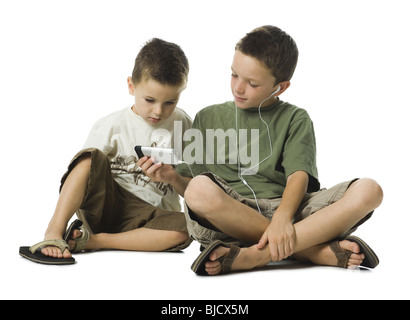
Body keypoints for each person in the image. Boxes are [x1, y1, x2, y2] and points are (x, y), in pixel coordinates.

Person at [177, 25, 383, 275]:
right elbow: (190, 188)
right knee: (198, 190)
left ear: (280, 87)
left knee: (370, 191)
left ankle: (253, 256)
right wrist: (169, 177)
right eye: (234, 75)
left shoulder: (296, 118)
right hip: (230, 215)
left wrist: (283, 219)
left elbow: (298, 175)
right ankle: (311, 250)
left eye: (252, 83)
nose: (238, 88)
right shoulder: (207, 117)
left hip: (290, 210)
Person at [19, 38, 192, 265]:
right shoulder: (111, 125)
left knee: (188, 229)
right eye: (149, 100)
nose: (158, 111)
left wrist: (172, 177)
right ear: (131, 86)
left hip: (152, 217)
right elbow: (84, 174)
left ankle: (95, 241)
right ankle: (53, 232)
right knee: (89, 158)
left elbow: (193, 189)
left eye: (170, 102)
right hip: (108, 204)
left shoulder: (185, 125)